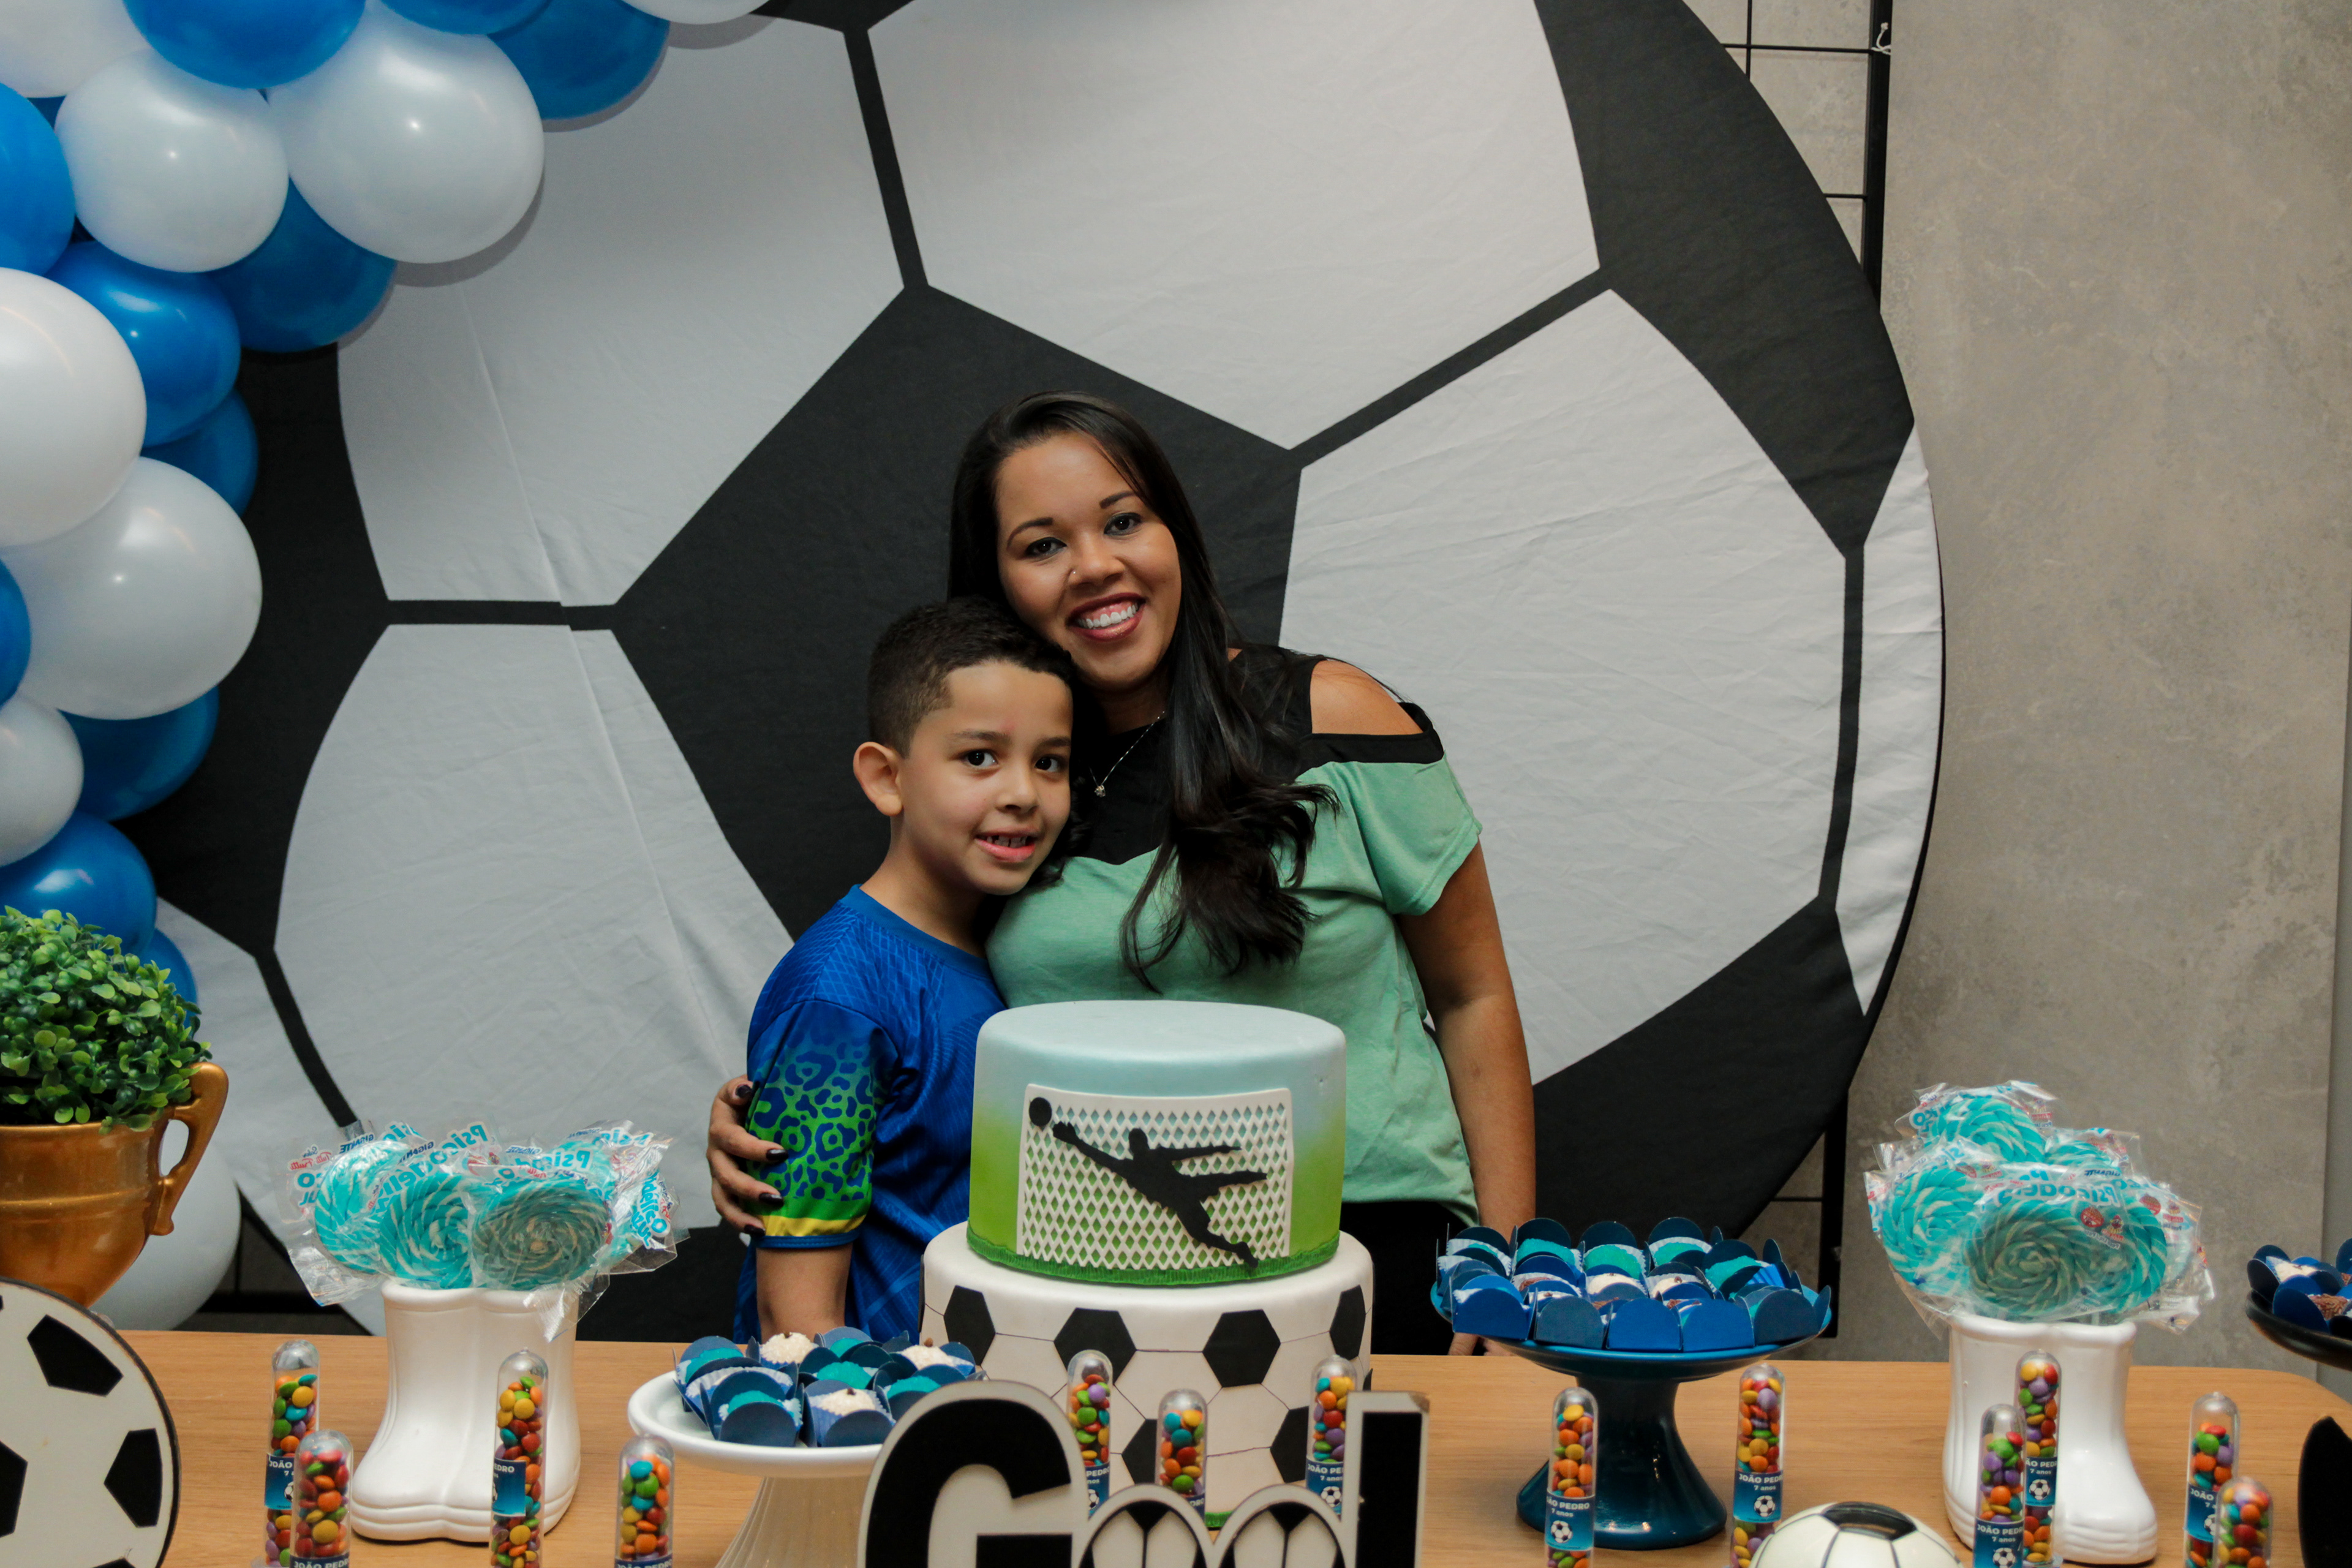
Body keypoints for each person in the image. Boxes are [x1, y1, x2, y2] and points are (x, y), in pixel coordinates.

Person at [714, 392, 1537, 1355]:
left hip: (1375, 1252)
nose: (1096, 564)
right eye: (1041, 544)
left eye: (1122, 520)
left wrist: (1505, 1266)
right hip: (1094, 1283)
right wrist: (780, 1126)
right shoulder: (1011, 797)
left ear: (1174, 533)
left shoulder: (1334, 715)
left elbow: (1473, 991)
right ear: (1000, 586)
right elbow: (896, 991)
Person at [730, 597, 1074, 1345]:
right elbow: (795, 1324)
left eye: (1050, 761)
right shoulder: (839, 997)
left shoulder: (1014, 948)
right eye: (979, 757)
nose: (1022, 792)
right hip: (884, 1430)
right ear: (887, 778)